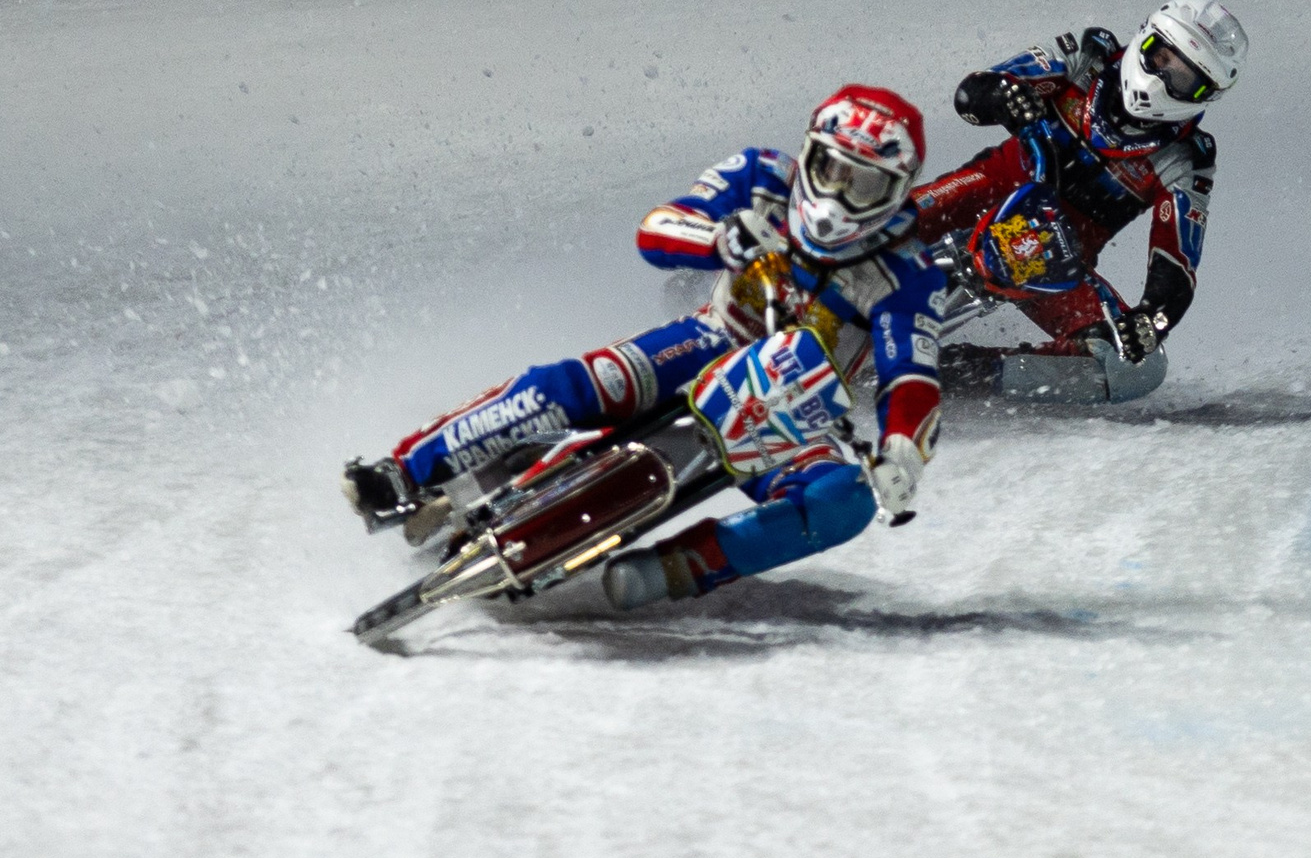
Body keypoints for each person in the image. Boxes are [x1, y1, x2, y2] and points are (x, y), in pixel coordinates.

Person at [342, 86, 945, 611]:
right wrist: (717, 237)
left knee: (843, 502)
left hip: (787, 413)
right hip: (708, 341)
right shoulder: (761, 175)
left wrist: (901, 453)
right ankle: (405, 473)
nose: (837, 200)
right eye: (831, 172)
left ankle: (678, 569)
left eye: (863, 186)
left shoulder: (907, 273)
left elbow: (909, 375)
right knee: (564, 388)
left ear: (897, 192)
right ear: (809, 154)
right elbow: (656, 229)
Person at [908, 0, 1246, 395]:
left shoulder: (1187, 159)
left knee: (1136, 369)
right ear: (1144, 37)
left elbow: (1175, 264)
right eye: (1162, 58)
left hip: (1055, 263)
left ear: (1204, 95)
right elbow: (971, 95)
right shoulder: (1084, 57)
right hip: (984, 192)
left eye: (1184, 78)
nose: (1161, 78)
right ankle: (818, 278)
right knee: (880, 219)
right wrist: (1007, 99)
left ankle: (953, 373)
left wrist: (1152, 320)